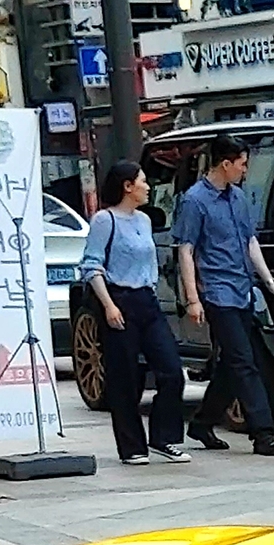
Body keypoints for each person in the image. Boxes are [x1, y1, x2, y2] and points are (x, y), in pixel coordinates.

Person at [173, 135, 274, 458]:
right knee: (244, 361)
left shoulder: (238, 197)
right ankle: (263, 433)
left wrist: (269, 283)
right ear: (225, 164)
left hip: (243, 290)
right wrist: (193, 298)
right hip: (218, 293)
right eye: (241, 164)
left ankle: (202, 422)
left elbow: (250, 242)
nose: (244, 169)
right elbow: (187, 250)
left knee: (230, 364)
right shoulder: (195, 201)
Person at [79, 160, 187, 467]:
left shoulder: (144, 220)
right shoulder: (105, 220)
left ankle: (164, 437)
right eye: (142, 181)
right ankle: (131, 447)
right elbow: (91, 265)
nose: (148, 186)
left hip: (146, 299)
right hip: (118, 299)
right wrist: (109, 305)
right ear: (128, 186)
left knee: (171, 371)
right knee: (124, 377)